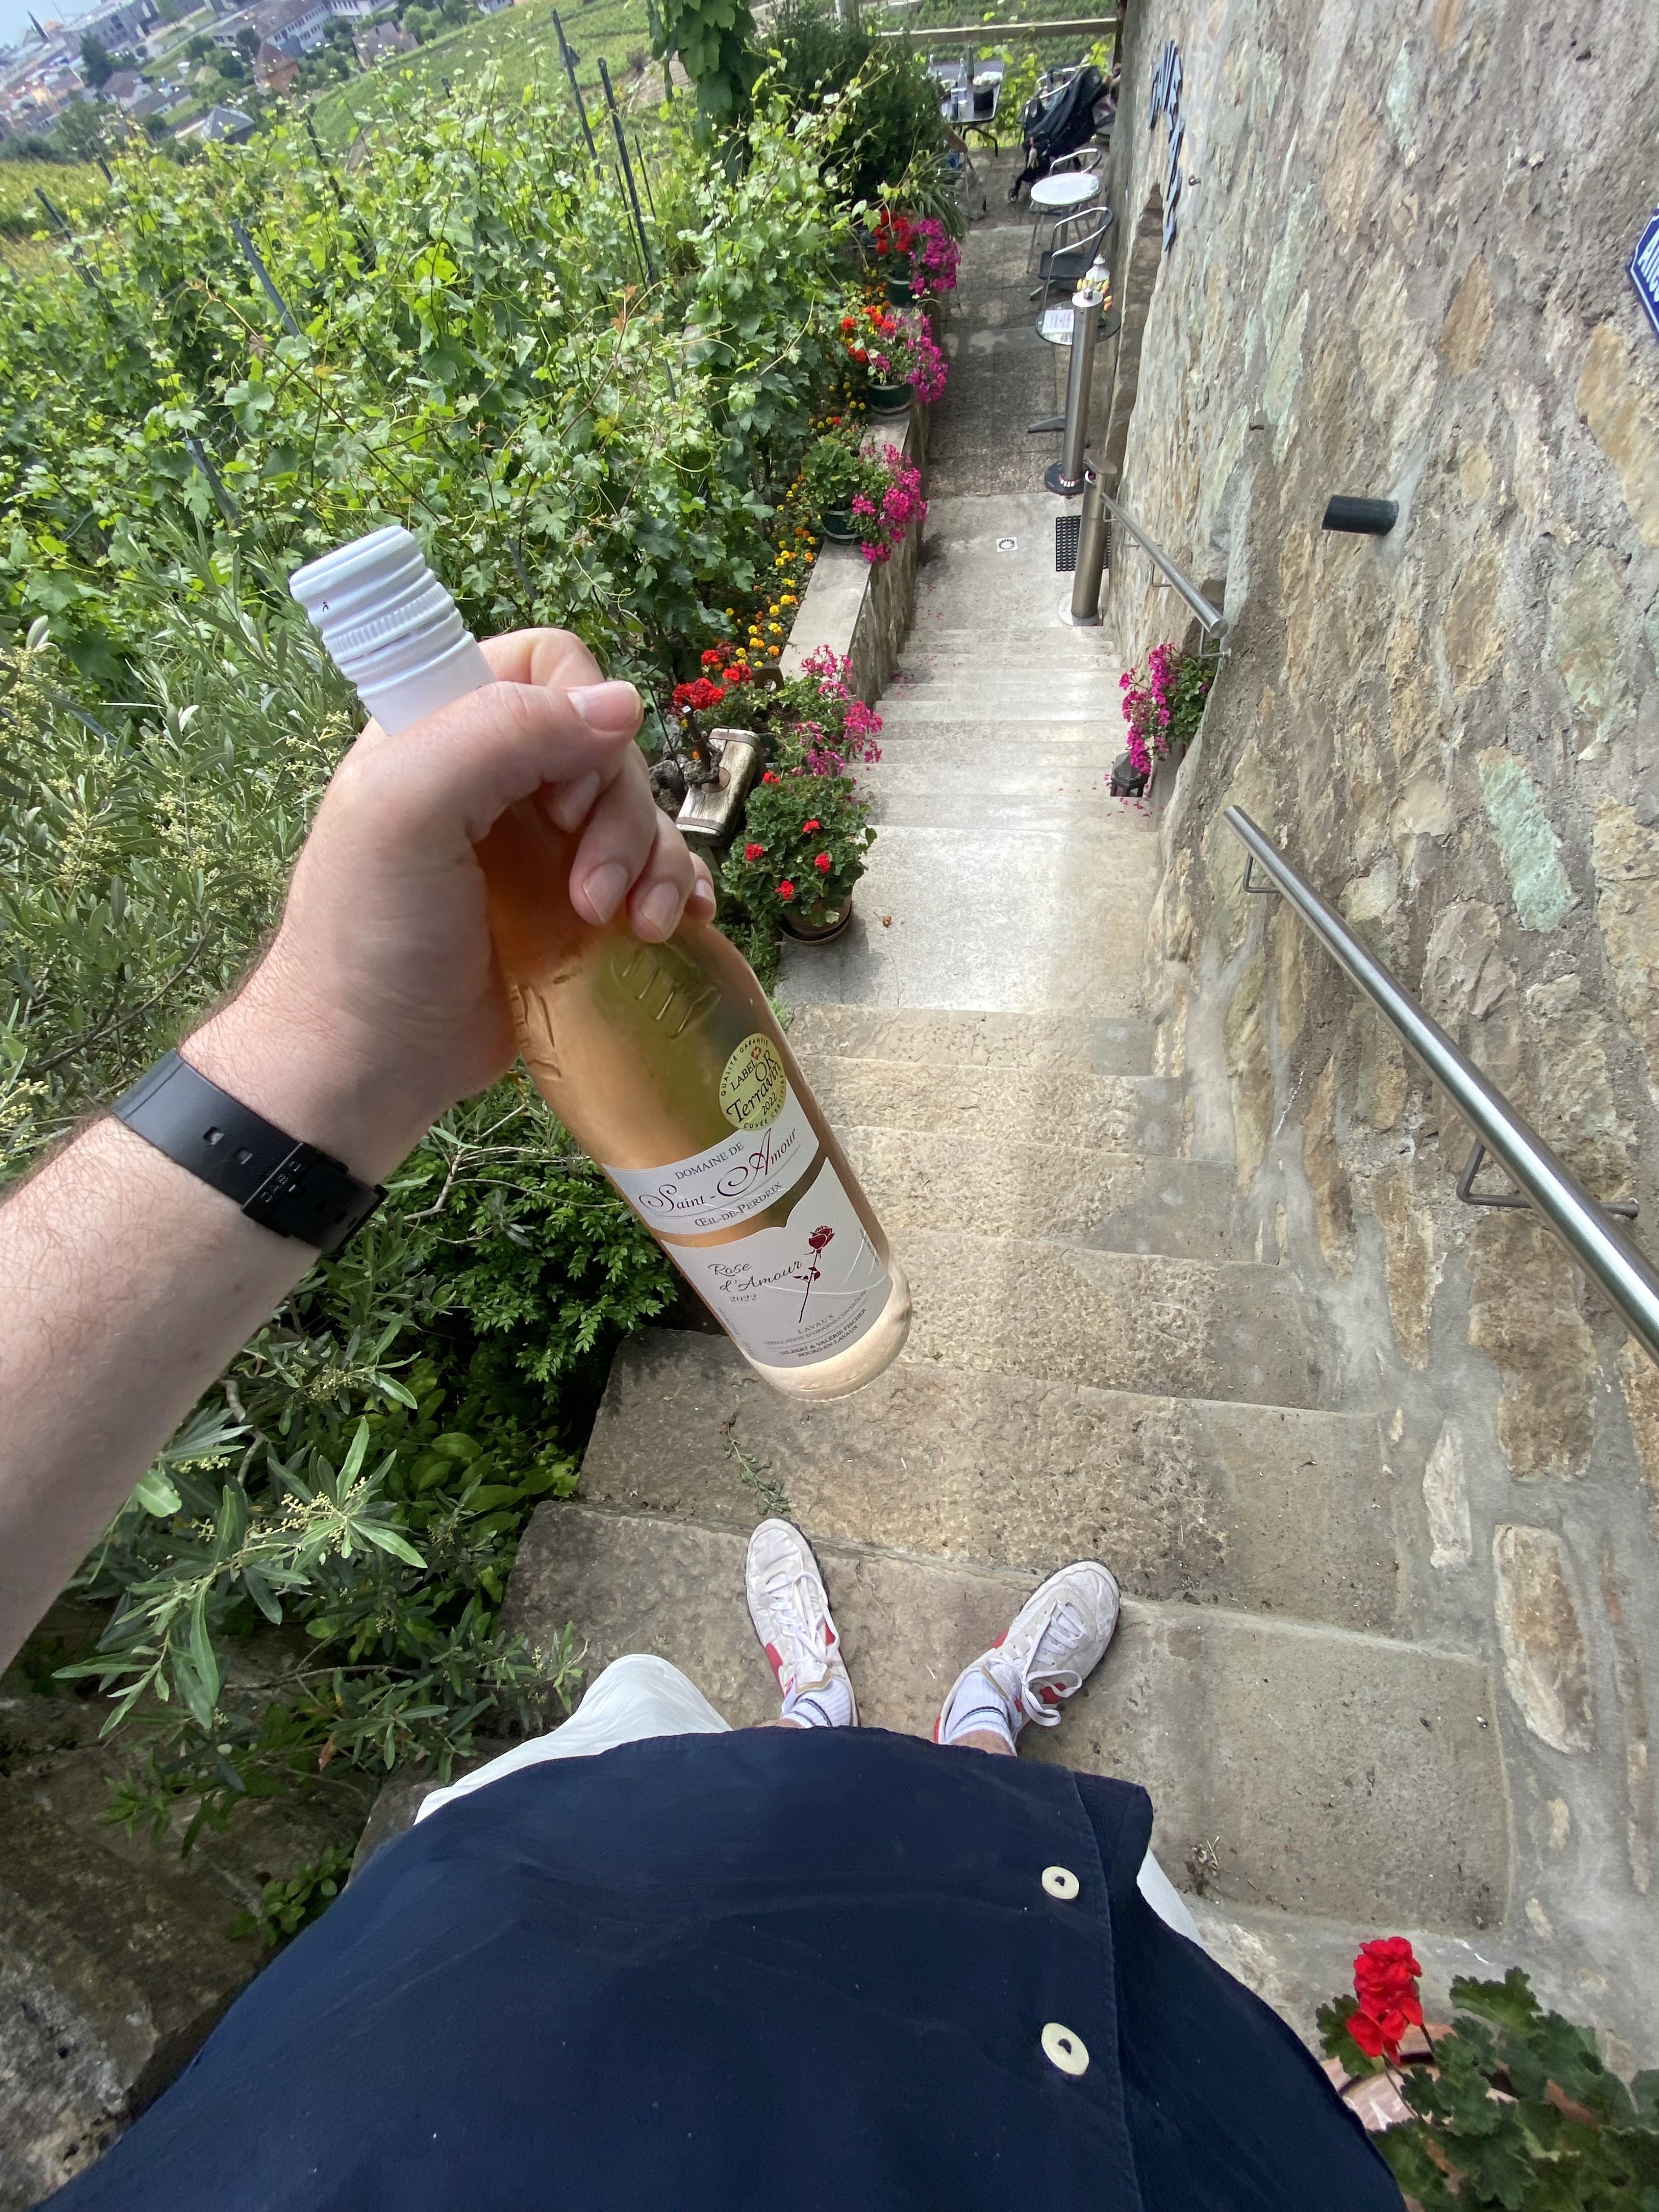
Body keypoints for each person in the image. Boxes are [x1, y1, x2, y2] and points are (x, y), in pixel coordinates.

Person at [0, 630, 1401, 2211]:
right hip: (1081, 2132)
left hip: (476, 1998)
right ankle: (980, 1729)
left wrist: (329, 1049)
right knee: (1078, 1891)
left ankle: (815, 1721)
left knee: (663, 1744)